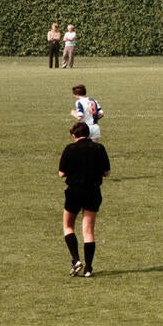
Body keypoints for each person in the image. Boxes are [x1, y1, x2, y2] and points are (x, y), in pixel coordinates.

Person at [59, 119, 110, 277]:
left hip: (74, 192)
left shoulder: (70, 149)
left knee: (68, 226)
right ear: (88, 134)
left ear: (74, 135)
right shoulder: (99, 148)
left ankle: (76, 260)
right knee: (88, 230)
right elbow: (106, 172)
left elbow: (61, 173)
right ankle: (88, 268)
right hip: (93, 192)